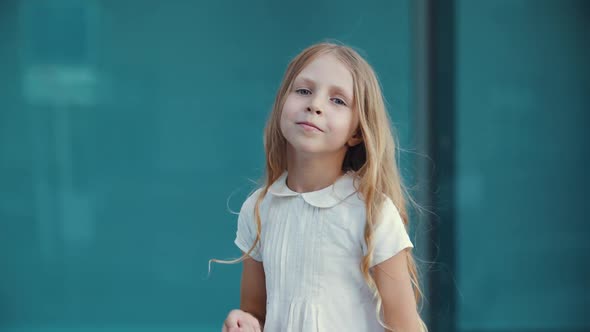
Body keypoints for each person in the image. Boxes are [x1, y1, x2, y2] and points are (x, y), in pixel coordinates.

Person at [218, 42, 427, 332]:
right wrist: (244, 322)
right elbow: (256, 313)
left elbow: (404, 326)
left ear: (356, 132)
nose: (314, 104)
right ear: (281, 104)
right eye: (303, 90)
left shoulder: (373, 212)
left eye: (338, 100)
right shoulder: (257, 208)